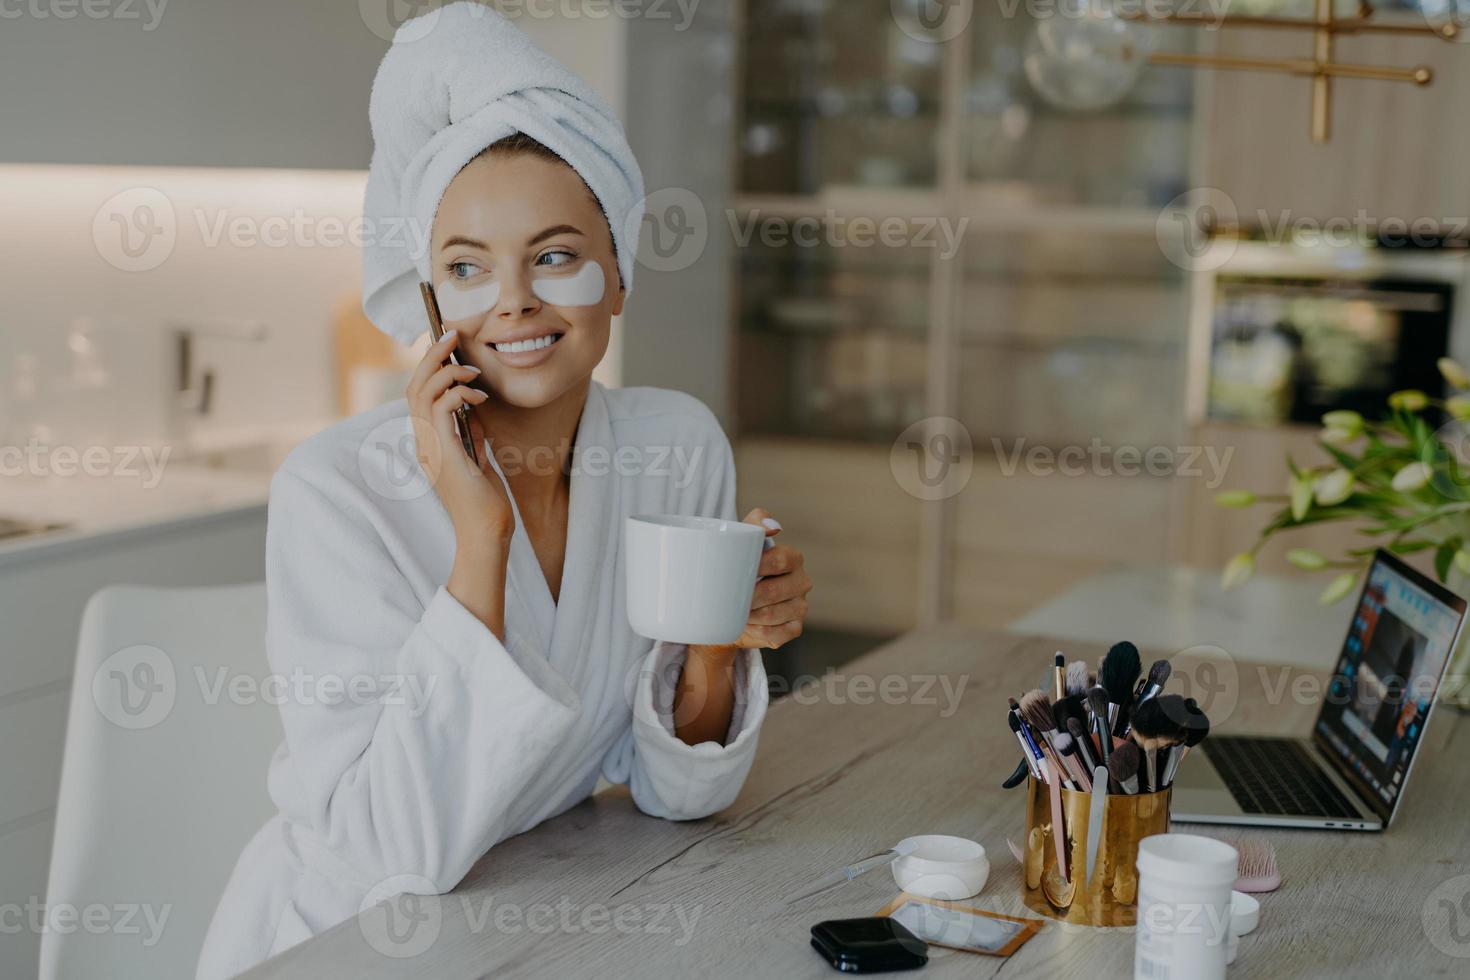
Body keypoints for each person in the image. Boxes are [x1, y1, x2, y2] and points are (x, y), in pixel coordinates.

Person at [196, 6, 811, 976]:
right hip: (338, 937)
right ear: (432, 299)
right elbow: (390, 851)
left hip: (541, 914)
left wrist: (713, 646)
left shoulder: (674, 444)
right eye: (467, 267)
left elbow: (675, 792)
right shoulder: (337, 490)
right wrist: (478, 540)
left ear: (618, 274)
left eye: (556, 255)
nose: (514, 300)